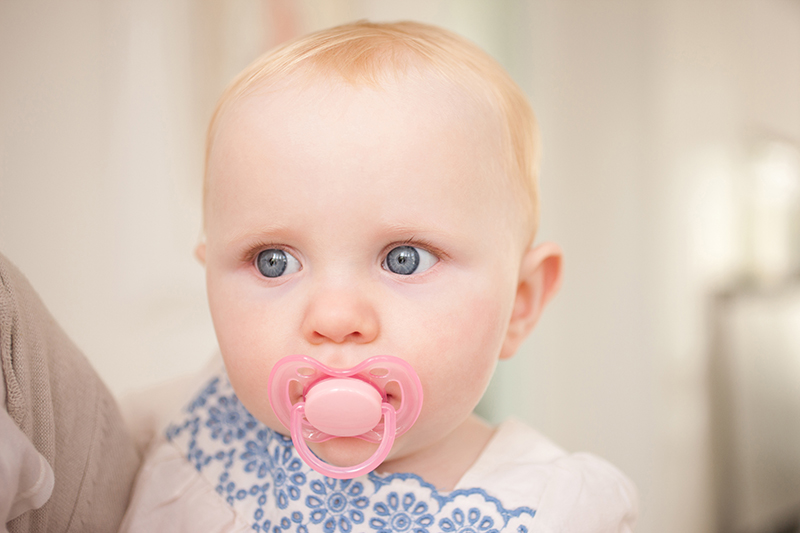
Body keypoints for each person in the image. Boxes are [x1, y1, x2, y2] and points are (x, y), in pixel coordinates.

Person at [3, 19, 638, 533]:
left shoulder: (557, 509)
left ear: (521, 302)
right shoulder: (199, 413)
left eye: (404, 258)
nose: (333, 318)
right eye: (273, 261)